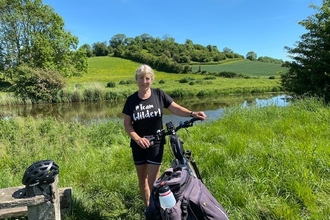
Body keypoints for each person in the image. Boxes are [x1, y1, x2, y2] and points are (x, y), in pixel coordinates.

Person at [122, 64, 206, 207]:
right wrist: (137, 139)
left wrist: (192, 114)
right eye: (141, 78)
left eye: (147, 78)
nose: (144, 81)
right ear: (136, 80)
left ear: (151, 79)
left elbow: (176, 108)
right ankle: (148, 208)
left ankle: (157, 209)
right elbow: (127, 124)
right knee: (142, 179)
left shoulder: (159, 94)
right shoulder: (131, 100)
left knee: (153, 181)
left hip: (156, 142)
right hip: (139, 144)